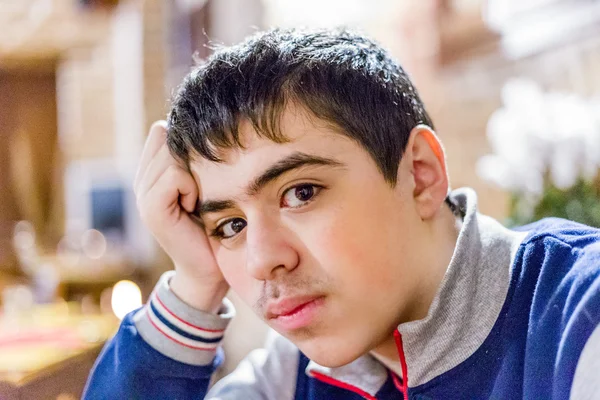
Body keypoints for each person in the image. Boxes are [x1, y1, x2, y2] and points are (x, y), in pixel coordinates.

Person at [83, 28, 600, 400]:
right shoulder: (295, 374)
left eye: (301, 192)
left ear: (419, 174)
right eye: (231, 225)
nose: (263, 261)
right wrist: (194, 286)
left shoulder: (576, 321)